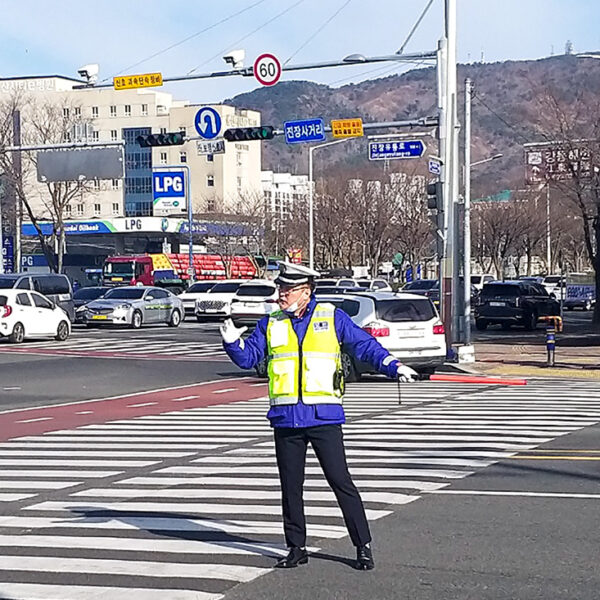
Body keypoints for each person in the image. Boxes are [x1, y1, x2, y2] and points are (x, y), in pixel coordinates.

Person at [220, 262, 418, 570]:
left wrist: (393, 365)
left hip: (324, 417)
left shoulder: (331, 317)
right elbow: (248, 358)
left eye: (287, 290)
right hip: (286, 418)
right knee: (291, 487)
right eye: (280, 289)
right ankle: (296, 547)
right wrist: (232, 342)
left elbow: (364, 346)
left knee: (340, 481)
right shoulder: (271, 323)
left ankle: (362, 545)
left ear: (305, 292)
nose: (280, 295)